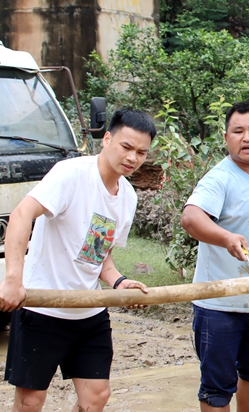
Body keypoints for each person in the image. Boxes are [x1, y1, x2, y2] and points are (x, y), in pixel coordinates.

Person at [0, 108, 157, 412]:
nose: (133, 158)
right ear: (107, 139)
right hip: (41, 308)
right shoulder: (70, 173)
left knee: (96, 397)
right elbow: (21, 215)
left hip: (88, 312)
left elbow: (101, 257)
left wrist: (119, 282)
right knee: (30, 401)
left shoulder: (127, 196)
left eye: (141, 152)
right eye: (126, 147)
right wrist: (12, 279)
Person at [181, 101, 249, 412]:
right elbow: (191, 218)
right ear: (226, 138)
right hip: (219, 304)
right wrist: (225, 237)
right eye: (238, 131)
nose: (247, 138)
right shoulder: (220, 179)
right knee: (217, 388)